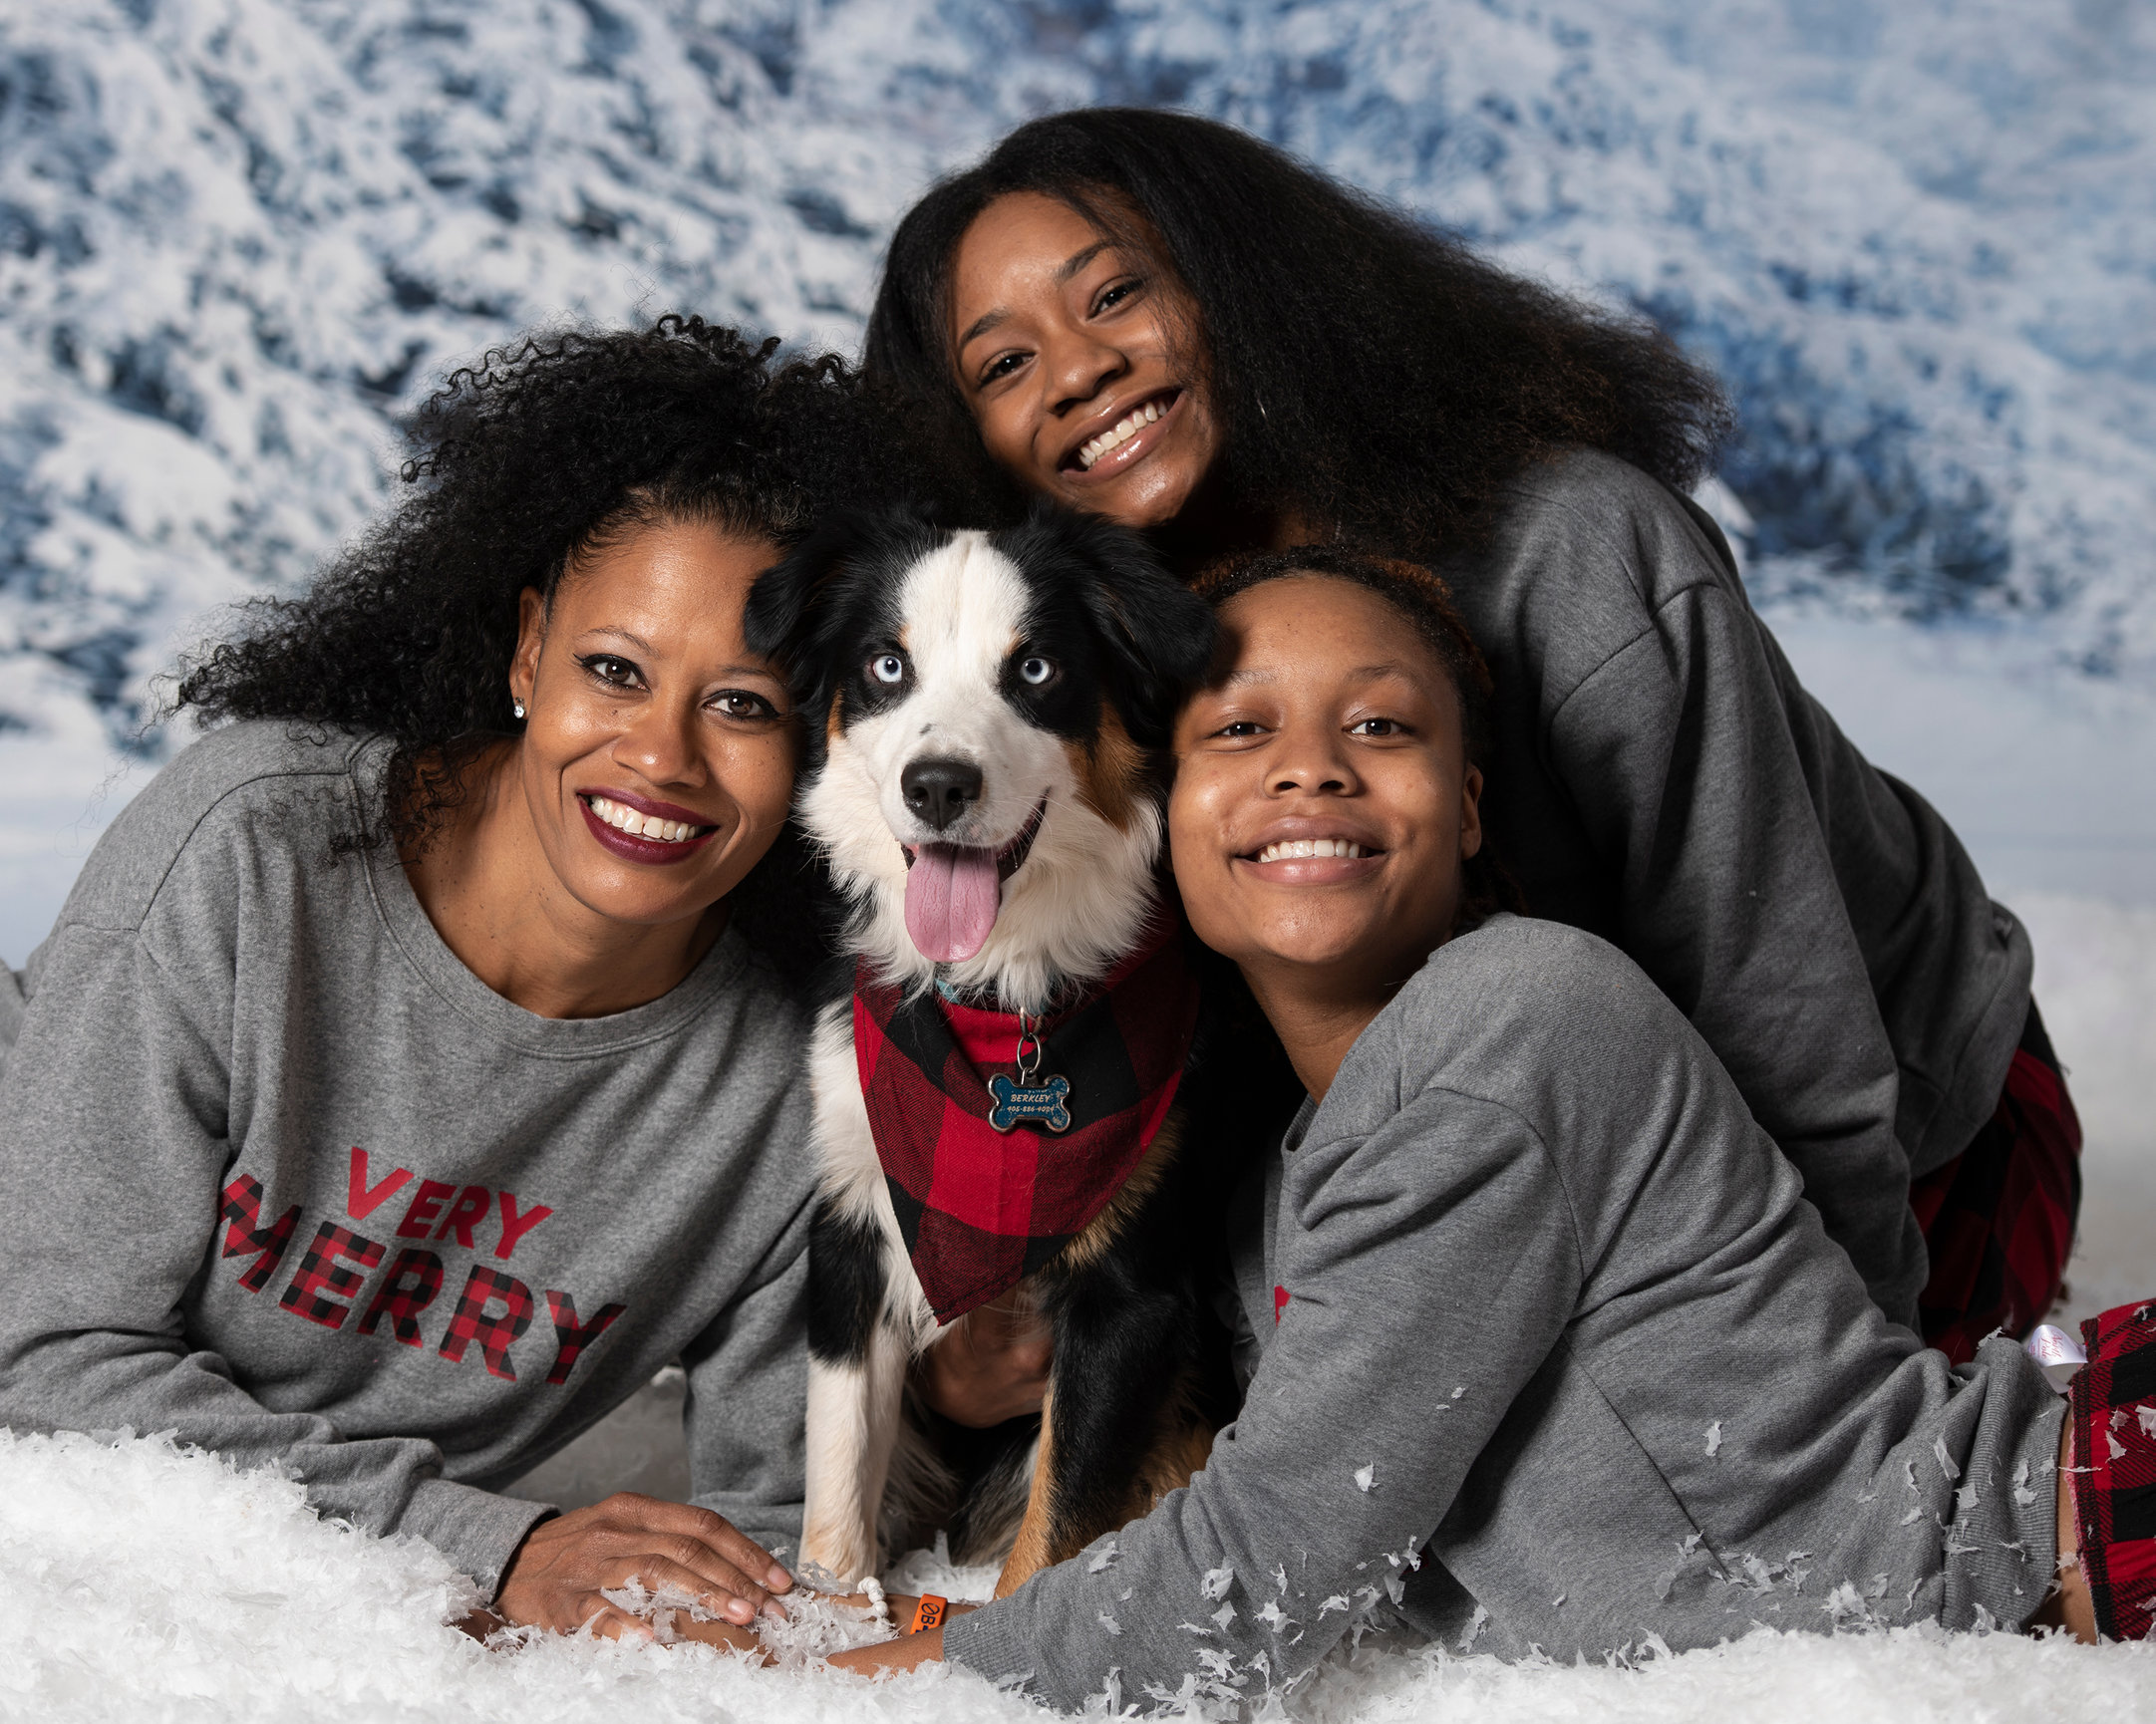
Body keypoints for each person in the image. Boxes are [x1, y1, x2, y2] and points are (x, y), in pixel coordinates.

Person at [825, 550, 2150, 1704]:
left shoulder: (1515, 1019)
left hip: (2068, 1513)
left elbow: (1259, 1569)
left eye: (1382, 727)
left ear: (1464, 806)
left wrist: (852, 1681)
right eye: (1235, 734)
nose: (1308, 766)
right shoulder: (1269, 1194)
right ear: (1155, 818)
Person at [863, 109, 2079, 1358]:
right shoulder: (1076, 680)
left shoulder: (1576, 553)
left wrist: (1844, 1406)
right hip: (1530, 1135)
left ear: (1238, 281)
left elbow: (1791, 1031)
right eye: (1003, 366)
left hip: (1916, 1124)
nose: (1077, 372)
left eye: (1116, 293)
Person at [0, 317, 913, 1643]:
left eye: (745, 706)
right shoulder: (256, 849)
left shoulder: (800, 1077)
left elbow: (787, 1538)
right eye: (615, 670)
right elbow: (39, 1365)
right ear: (529, 648)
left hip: (293, 1560)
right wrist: (491, 1541)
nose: (660, 756)